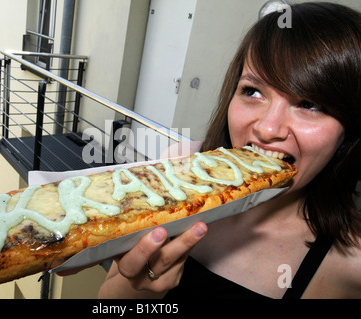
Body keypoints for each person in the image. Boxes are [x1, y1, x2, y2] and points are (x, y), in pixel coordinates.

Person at [96, 2, 361, 299]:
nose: (268, 129)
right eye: (253, 91)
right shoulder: (176, 173)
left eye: (310, 105)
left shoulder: (352, 266)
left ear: (349, 131)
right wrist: (138, 291)